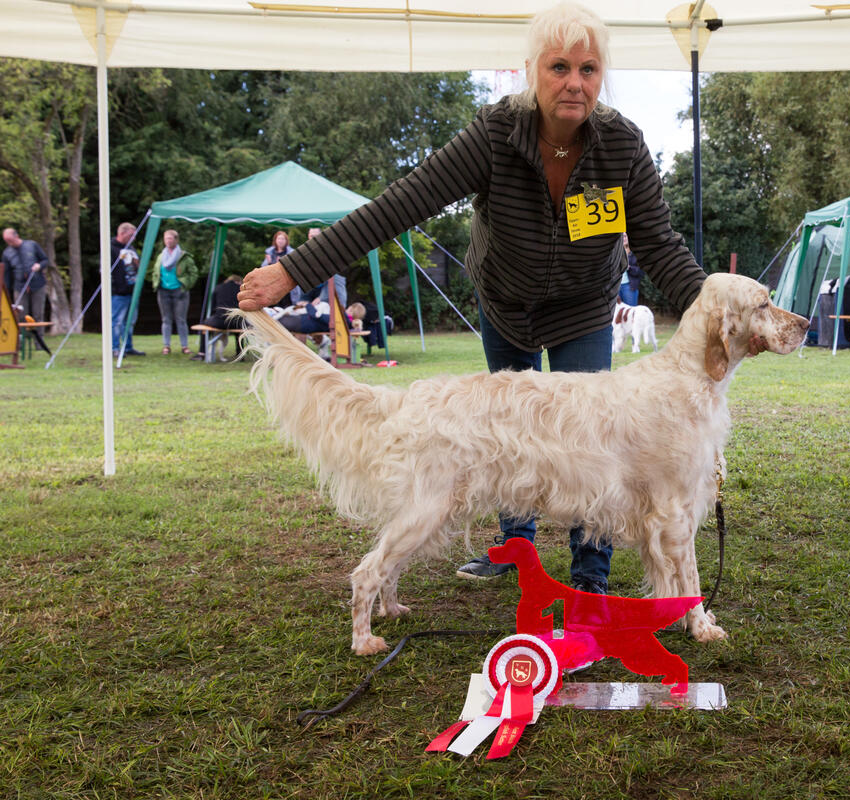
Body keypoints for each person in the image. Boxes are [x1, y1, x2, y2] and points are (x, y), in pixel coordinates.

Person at [237, 2, 707, 596]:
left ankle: (591, 580)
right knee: (507, 433)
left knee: (596, 448)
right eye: (559, 67)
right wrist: (295, 272)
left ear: (601, 77)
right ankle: (516, 553)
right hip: (506, 305)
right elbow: (399, 206)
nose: (574, 83)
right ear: (533, 70)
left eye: (588, 70)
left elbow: (660, 246)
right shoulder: (493, 135)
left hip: (583, 308)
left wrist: (719, 307)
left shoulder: (622, 146)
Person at [151, 229, 198, 355]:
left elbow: (193, 273)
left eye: (170, 238)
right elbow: (155, 272)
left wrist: (186, 285)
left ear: (176, 240)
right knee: (166, 319)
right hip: (163, 291)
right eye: (166, 238)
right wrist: (156, 283)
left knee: (181, 319)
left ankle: (184, 346)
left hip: (180, 291)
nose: (168, 241)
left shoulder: (184, 256)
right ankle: (166, 346)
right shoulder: (161, 256)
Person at [110, 221, 145, 356]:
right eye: (131, 235)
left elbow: (137, 266)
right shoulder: (111, 248)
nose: (133, 238)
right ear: (122, 233)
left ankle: (128, 347)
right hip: (119, 292)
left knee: (130, 322)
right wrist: (116, 286)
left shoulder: (131, 248)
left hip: (133, 291)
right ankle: (115, 348)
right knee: (117, 321)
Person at [2, 227, 49, 322]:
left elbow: (45, 260)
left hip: (37, 284)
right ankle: (22, 336)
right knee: (20, 314)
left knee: (37, 314)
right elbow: (6, 275)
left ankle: (38, 337)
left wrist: (39, 265)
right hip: (19, 287)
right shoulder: (6, 253)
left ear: (17, 236)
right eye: (7, 241)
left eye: (10, 240)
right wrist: (5, 292)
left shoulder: (32, 245)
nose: (9, 243)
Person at [618, 232, 643, 306]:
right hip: (616, 286)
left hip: (629, 286)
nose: (624, 238)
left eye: (625, 236)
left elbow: (640, 271)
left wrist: (629, 267)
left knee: (631, 311)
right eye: (622, 237)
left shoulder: (634, 253)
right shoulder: (615, 254)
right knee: (617, 312)